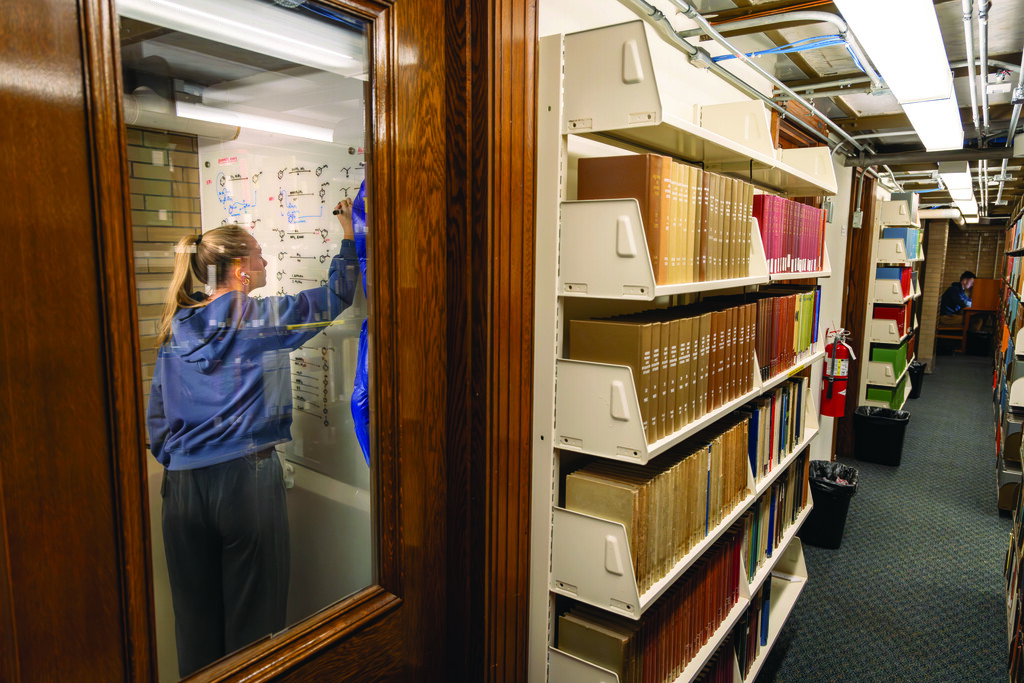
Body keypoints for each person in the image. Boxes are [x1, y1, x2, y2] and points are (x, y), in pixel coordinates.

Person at [147, 200, 357, 677]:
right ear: (240, 269)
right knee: (254, 625)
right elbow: (337, 295)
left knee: (195, 624)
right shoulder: (261, 320)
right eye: (260, 255)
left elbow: (157, 414)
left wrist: (183, 461)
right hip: (245, 479)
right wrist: (348, 234)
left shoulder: (177, 324)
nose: (267, 262)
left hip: (181, 487)